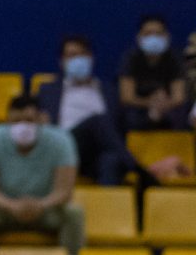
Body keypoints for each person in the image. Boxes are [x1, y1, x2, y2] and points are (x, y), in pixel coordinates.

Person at [0, 96, 86, 255]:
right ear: (7, 120)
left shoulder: (61, 140)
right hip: (4, 209)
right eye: (16, 121)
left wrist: (40, 205)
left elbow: (64, 191)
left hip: (46, 209)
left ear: (41, 120)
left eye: (29, 120)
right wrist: (12, 206)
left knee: (74, 213)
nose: (22, 126)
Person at [35, 36, 138, 187]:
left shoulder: (109, 91)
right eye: (72, 55)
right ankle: (136, 168)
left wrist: (153, 115)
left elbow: (123, 124)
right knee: (98, 121)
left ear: (91, 58)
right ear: (62, 62)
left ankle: (107, 201)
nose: (78, 59)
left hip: (97, 153)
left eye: (82, 54)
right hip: (64, 147)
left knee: (111, 161)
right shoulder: (47, 91)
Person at [120, 14, 190, 131]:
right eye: (148, 34)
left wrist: (162, 105)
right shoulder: (130, 58)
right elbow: (127, 97)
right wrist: (150, 103)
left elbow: (179, 96)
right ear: (139, 37)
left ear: (167, 37)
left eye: (158, 33)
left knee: (182, 115)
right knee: (130, 116)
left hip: (168, 106)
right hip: (141, 106)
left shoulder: (175, 58)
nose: (153, 38)